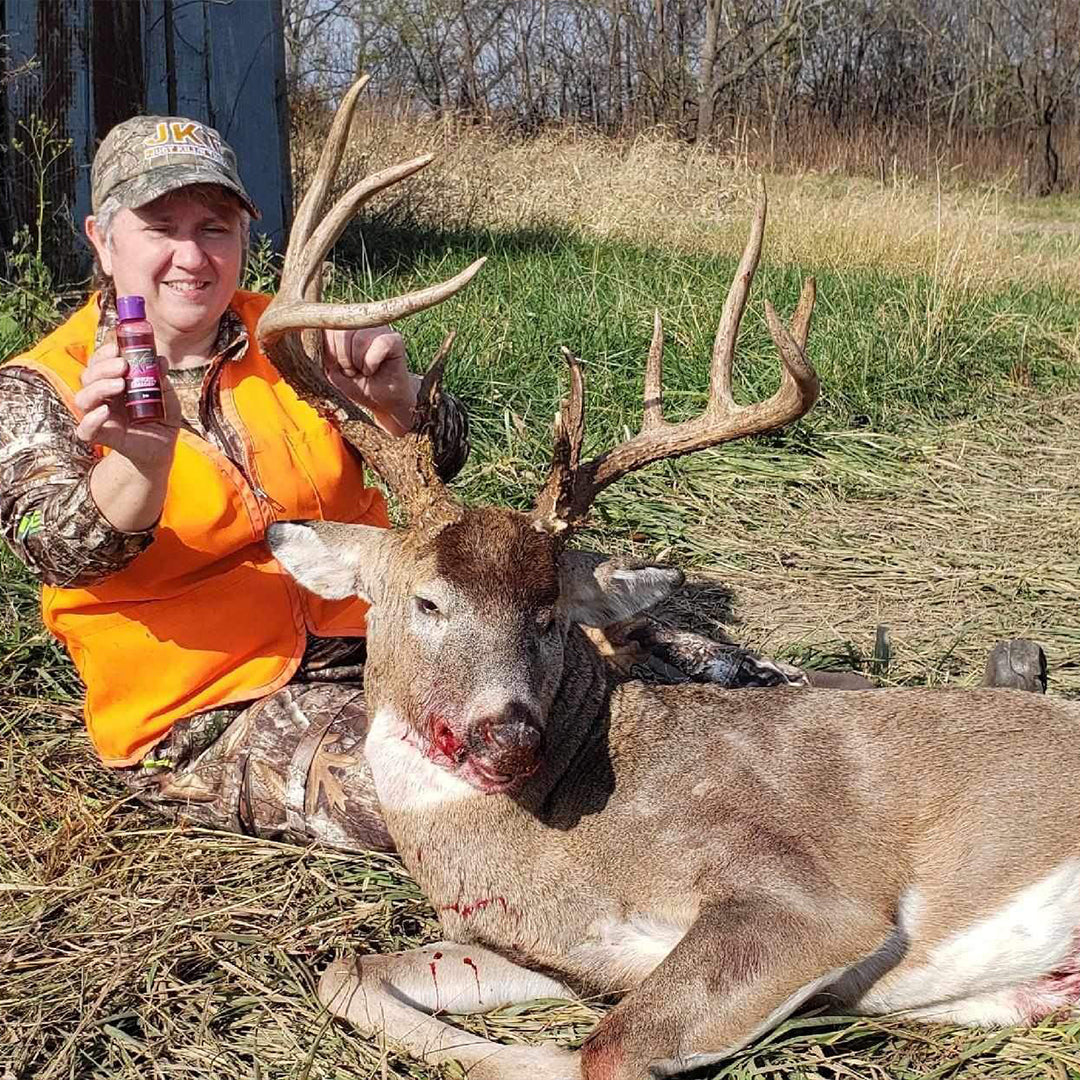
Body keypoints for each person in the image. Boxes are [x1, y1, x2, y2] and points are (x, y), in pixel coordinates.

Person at [0, 116, 1043, 855]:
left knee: (664, 662)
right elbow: (60, 545)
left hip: (401, 635)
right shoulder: (41, 386)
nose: (191, 255)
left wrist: (402, 400)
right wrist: (140, 457)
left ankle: (943, 726)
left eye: (214, 227)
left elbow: (436, 462)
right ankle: (895, 823)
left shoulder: (294, 333)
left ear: (243, 234)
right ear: (101, 237)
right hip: (215, 708)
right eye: (160, 226)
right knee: (500, 793)